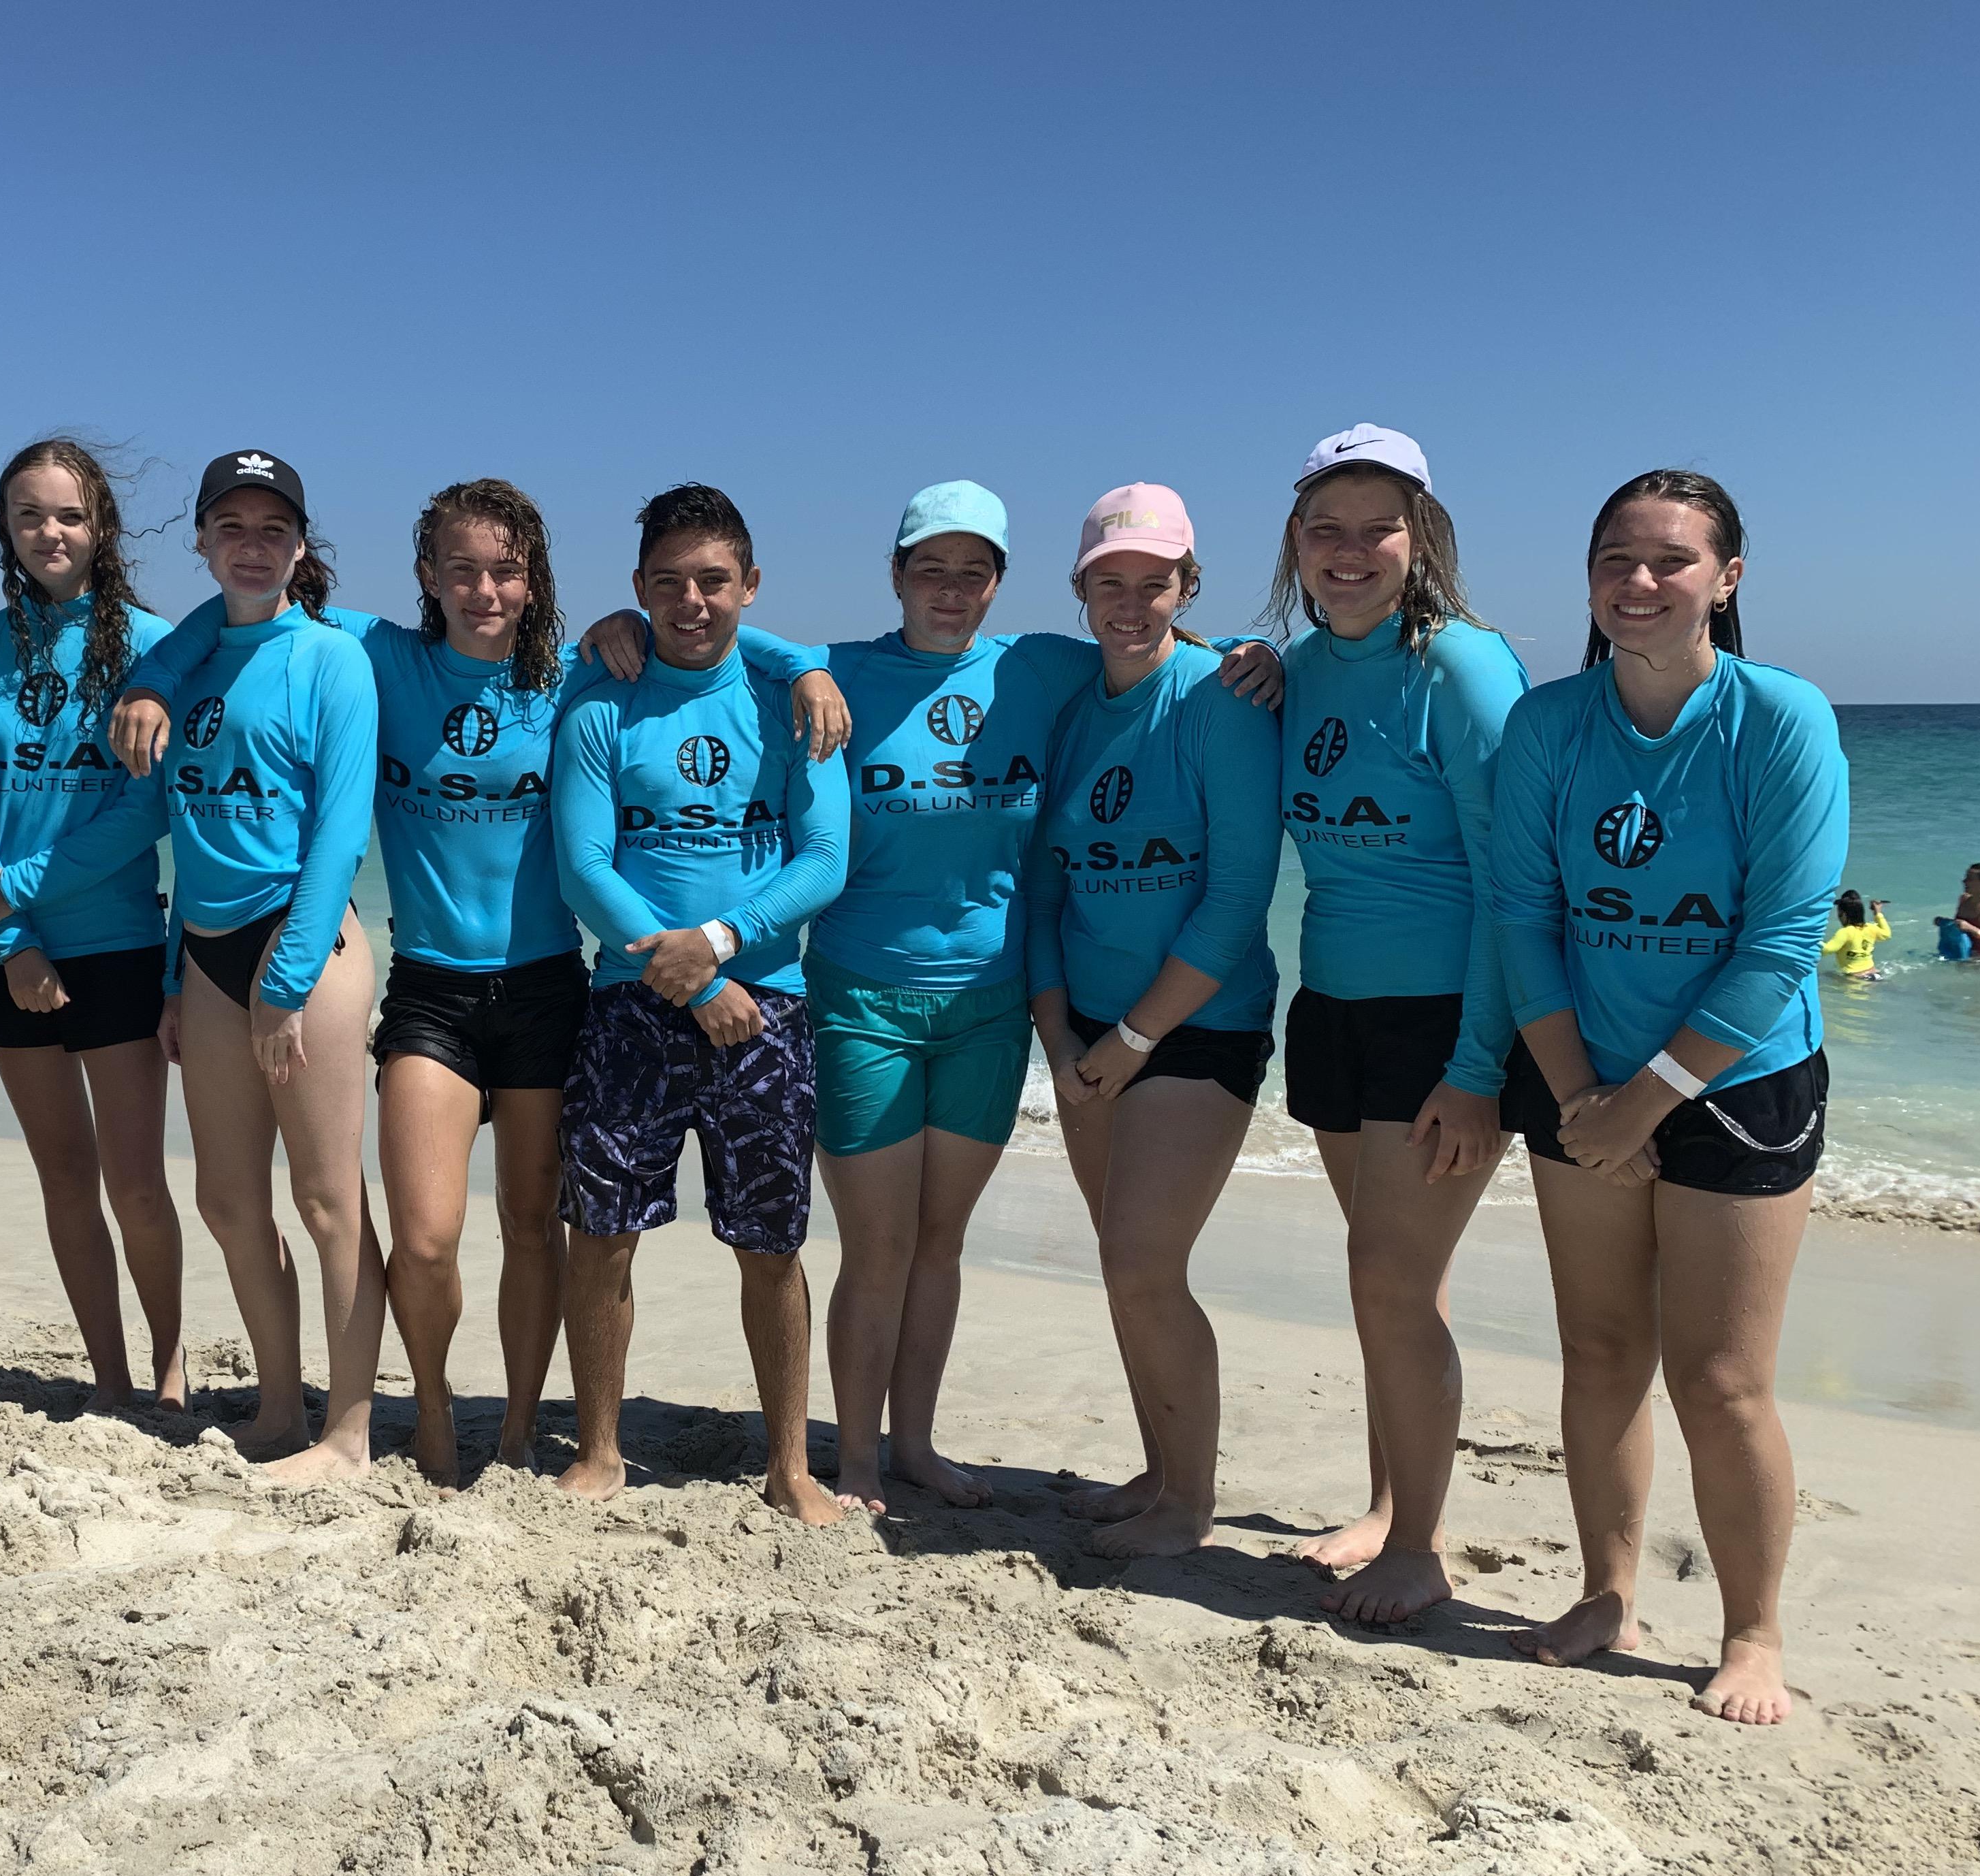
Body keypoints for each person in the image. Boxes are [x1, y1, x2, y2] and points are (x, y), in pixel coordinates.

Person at [102, 481, 841, 1483]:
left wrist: (793, 662)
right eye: (462, 569)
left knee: (534, 1229)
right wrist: (150, 680)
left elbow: (701, 645)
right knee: (429, 1238)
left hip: (546, 993)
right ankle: (438, 1409)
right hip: (430, 992)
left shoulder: (582, 680)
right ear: (429, 578)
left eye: (504, 570)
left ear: (534, 583)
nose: (483, 589)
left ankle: (520, 1427)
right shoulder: (379, 658)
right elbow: (246, 609)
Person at [579, 489, 1278, 1515]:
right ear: (896, 574)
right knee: (879, 1245)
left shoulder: (1041, 667)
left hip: (992, 1006)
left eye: (973, 573)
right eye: (929, 570)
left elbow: (1150, 643)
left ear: (1002, 582)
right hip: (861, 995)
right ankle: (854, 1461)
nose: (951, 592)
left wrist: (1261, 652)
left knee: (940, 1246)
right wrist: (631, 626)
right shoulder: (838, 673)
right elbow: (735, 638)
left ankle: (917, 1446)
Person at [1491, 470, 1846, 1726]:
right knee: (1598, 1351)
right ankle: (1606, 1590)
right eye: (1613, 560)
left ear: (1727, 577)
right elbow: (1521, 918)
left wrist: (1644, 1102)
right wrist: (1583, 1088)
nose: (1636, 583)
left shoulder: (1779, 718)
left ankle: (1753, 1631)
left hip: (1737, 1081)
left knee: (1720, 1377)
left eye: (1670, 560)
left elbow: (1783, 937)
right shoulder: (1547, 725)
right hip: (1578, 1077)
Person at [0, 451, 385, 1481]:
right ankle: (280, 1409)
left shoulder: (332, 659)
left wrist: (285, 987)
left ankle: (349, 1429)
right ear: (202, 541)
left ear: (302, 544)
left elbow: (340, 836)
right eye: (232, 528)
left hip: (305, 950)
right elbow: (180, 837)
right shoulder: (186, 656)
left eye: (273, 529)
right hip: (202, 958)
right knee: (226, 1199)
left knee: (329, 1201)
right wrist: (172, 980)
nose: (253, 547)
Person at [1266, 423, 1529, 1623]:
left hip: (1442, 1020)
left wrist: (1481, 1066)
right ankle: (1384, 1503)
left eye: (1377, 524)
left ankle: (1416, 1544)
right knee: (1373, 1280)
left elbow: (1512, 880)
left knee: (1391, 1280)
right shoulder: (1297, 667)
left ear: (1418, 535)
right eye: (1325, 526)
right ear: (1296, 543)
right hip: (1328, 1003)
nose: (1349, 549)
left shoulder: (1465, 667)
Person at [551, 484, 849, 1525]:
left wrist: (722, 952)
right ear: (637, 590)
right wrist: (690, 977)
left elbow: (825, 858)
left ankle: (789, 1465)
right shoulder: (601, 700)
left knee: (771, 1243)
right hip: (631, 1006)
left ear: (750, 589)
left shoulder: (796, 702)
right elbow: (585, 863)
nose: (692, 601)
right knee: (602, 1233)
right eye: (669, 582)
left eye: (714, 581)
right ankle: (599, 1450)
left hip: (767, 1007)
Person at [1028, 485, 1281, 1557]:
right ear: (1081, 589)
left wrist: (1131, 1042)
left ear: (1189, 589)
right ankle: (1158, 1469)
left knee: (1143, 1262)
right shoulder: (1075, 705)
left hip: (1196, 1027)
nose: (1132, 604)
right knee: (1122, 1261)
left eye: (1156, 583)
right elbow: (1042, 884)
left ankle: (1191, 1502)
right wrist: (1060, 1032)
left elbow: (1235, 900)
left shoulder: (1224, 697)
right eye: (1110, 583)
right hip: (1087, 1030)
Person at [0, 440, 185, 1412]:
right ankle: (111, 1375)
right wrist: (13, 941)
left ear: (104, 529)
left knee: (136, 1183)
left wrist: (28, 886)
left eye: (71, 515)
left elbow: (150, 808)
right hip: (9, 954)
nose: (51, 533)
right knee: (64, 1178)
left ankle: (171, 1369)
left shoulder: (158, 647)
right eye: (29, 515)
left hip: (120, 943)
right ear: (5, 529)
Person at [1819, 891, 1889, 980]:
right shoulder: (1870, 928)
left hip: (1857, 978)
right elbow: (1887, 934)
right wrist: (1878, 913)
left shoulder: (1845, 932)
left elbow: (1826, 950)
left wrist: (1811, 939)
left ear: (1844, 914)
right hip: (1874, 973)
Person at [1955, 863, 1980, 956]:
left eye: (1970, 879)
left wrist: (1972, 929)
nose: (1964, 881)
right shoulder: (1964, 899)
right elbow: (1961, 927)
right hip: (1963, 954)